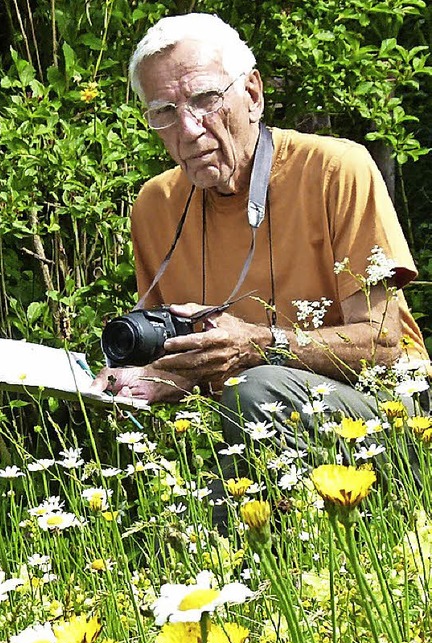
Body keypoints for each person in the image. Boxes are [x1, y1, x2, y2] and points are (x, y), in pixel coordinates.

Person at [92, 12, 429, 452]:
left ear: (252, 94)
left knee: (256, 388)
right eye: (164, 112)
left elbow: (384, 345)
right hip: (243, 422)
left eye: (205, 99)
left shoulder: (336, 170)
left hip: (388, 411)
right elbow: (178, 354)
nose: (188, 130)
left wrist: (260, 345)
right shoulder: (155, 206)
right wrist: (149, 375)